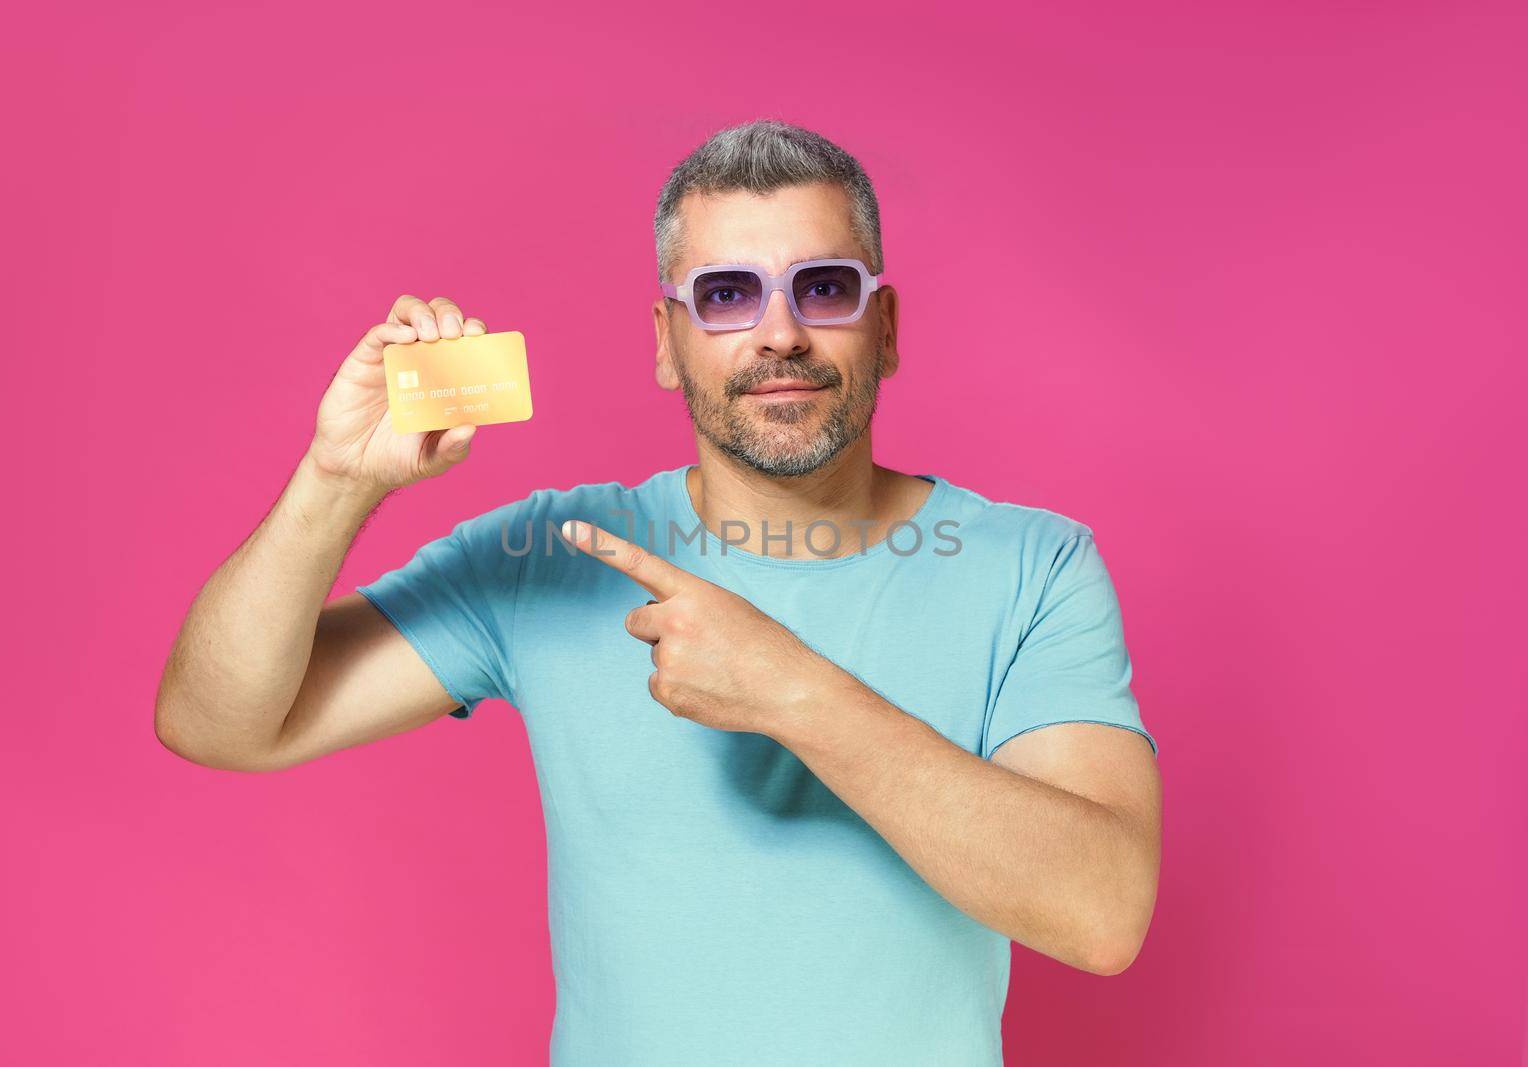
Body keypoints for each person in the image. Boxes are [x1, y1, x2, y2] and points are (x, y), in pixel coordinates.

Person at [155, 118, 1163, 1066]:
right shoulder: (551, 553)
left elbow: (1101, 912)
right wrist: (337, 483)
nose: (780, 335)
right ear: (665, 339)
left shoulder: (1035, 566)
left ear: (884, 325)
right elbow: (220, 722)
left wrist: (791, 690)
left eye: (823, 287)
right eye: (727, 294)